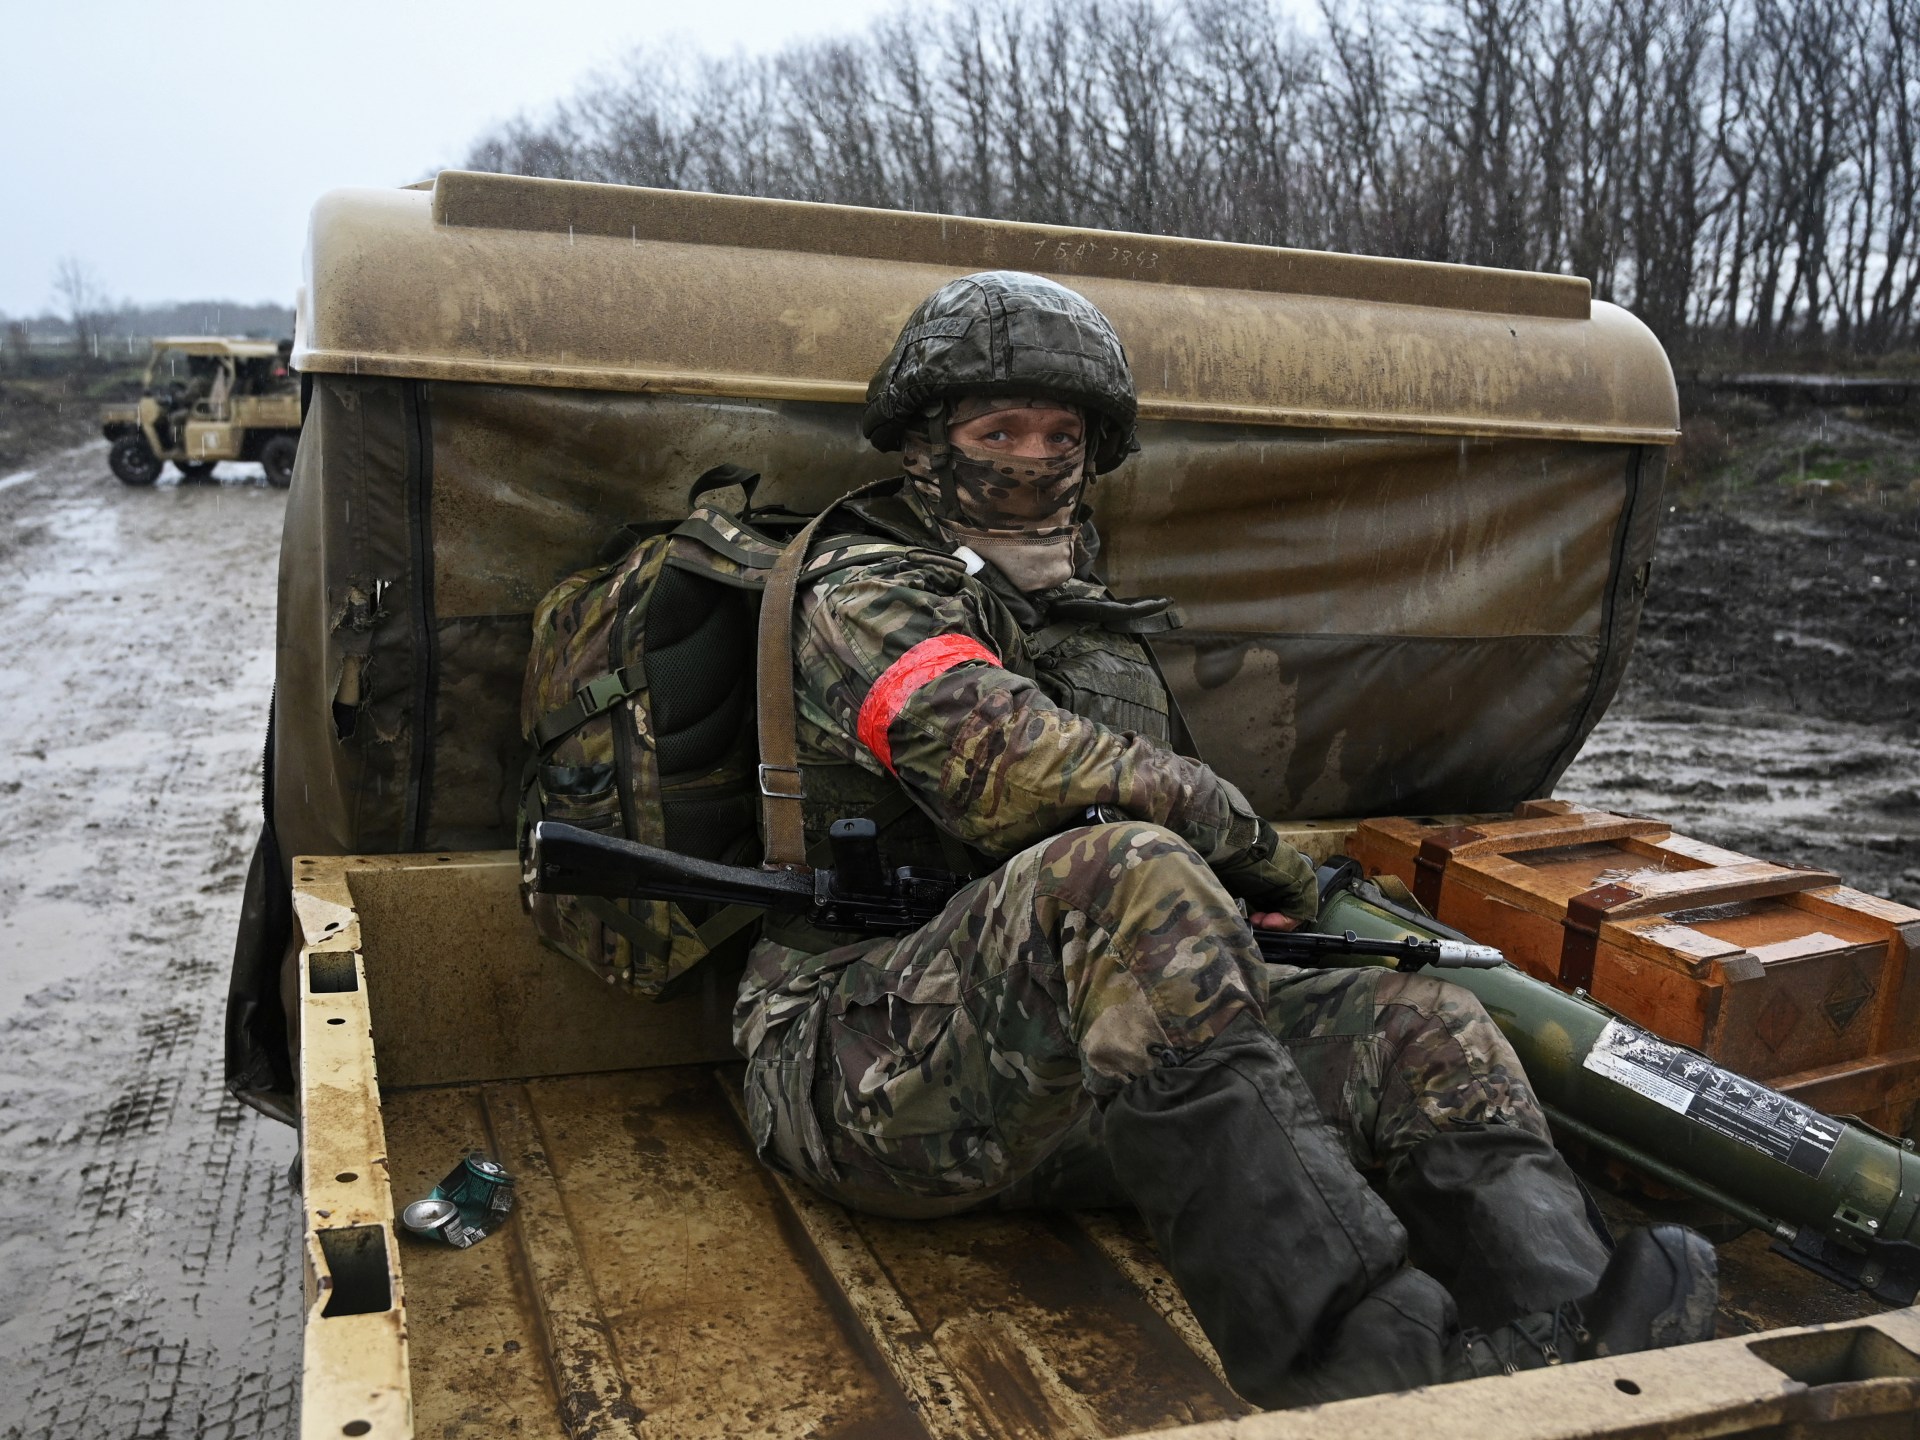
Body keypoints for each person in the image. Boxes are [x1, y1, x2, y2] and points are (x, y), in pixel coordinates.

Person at [732, 270, 1716, 1407]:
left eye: (1062, 434)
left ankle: (1584, 1343)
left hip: (1059, 1084)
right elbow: (1002, 765)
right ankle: (1363, 1376)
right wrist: (1232, 832)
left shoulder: (1073, 611)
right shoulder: (863, 591)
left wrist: (1266, 907)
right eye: (997, 429)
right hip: (859, 1070)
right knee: (1127, 874)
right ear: (924, 442)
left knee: (1413, 1013)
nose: (1032, 458)